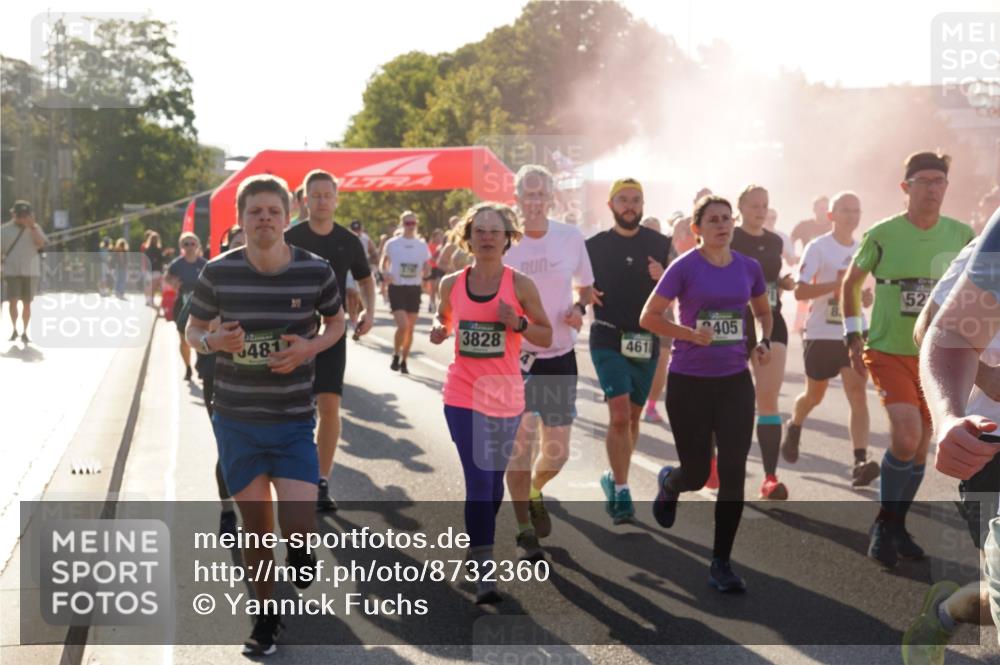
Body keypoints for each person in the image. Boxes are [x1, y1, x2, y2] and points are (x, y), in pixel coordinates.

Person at [186, 174, 345, 655]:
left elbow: (337, 322)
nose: (265, 220)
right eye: (255, 212)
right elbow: (194, 329)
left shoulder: (315, 271)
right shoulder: (218, 272)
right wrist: (213, 343)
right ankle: (265, 619)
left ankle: (299, 548)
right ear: (241, 219)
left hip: (294, 419)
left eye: (273, 211)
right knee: (256, 532)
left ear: (286, 216)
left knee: (297, 523)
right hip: (237, 420)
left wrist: (309, 348)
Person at [841, 150, 976, 568]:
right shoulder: (883, 233)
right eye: (925, 181)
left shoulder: (961, 233)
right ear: (906, 188)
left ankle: (895, 522)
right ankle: (884, 522)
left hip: (935, 356)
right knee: (905, 433)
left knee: (919, 449)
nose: (933, 189)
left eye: (940, 181)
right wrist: (852, 333)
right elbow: (851, 283)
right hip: (886, 350)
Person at [643, 194, 772, 592]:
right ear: (696, 230)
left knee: (732, 473)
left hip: (734, 382)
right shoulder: (685, 267)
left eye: (726, 219)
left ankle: (721, 563)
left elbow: (763, 311)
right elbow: (648, 316)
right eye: (713, 220)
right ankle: (671, 482)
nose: (722, 225)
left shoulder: (748, 267)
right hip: (689, 382)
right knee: (698, 473)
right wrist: (689, 334)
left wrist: (763, 340)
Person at [429, 201, 551, 604]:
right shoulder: (451, 283)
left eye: (493, 231)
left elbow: (546, 336)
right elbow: (445, 318)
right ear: (467, 237)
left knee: (494, 482)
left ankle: (475, 545)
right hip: (462, 394)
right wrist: (437, 328)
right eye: (478, 230)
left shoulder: (519, 286)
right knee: (479, 478)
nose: (485, 237)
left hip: (506, 397)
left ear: (507, 238)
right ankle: (484, 568)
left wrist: (515, 322)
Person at [911, 206, 1000, 664]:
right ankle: (945, 610)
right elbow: (928, 328)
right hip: (990, 447)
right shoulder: (983, 251)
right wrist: (986, 377)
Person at [502, 165, 593, 562]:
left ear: (550, 198)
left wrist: (578, 308)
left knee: (557, 452)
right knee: (520, 445)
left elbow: (585, 287)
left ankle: (536, 490)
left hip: (558, 356)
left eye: (541, 194)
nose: (535, 202)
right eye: (528, 194)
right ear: (517, 199)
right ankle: (524, 527)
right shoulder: (506, 242)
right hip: (516, 358)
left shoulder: (570, 237)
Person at [285, 169, 375, 512]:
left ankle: (321, 480)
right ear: (305, 199)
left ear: (336, 200)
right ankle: (296, 475)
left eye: (328, 195)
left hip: (331, 331)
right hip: (292, 332)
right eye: (315, 195)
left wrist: (369, 312)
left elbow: (366, 281)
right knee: (294, 410)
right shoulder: (290, 237)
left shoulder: (348, 241)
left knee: (329, 406)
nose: (322, 200)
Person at [586, 178, 672, 524]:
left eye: (636, 200)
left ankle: (613, 477)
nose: (630, 206)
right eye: (623, 200)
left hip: (645, 339)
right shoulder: (593, 246)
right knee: (619, 415)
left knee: (633, 419)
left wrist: (662, 275)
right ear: (611, 206)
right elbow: (571, 279)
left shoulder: (659, 243)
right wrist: (583, 289)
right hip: (607, 337)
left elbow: (679, 285)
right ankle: (622, 491)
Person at [784, 192, 879, 486]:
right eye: (846, 211)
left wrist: (863, 296)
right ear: (832, 216)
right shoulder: (818, 247)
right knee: (815, 395)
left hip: (853, 330)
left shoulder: (866, 248)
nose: (852, 216)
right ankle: (795, 424)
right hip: (821, 332)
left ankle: (859, 461)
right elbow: (799, 292)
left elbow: (865, 296)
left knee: (858, 393)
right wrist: (837, 285)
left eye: (856, 210)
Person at [730, 184, 794, 500]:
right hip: (733, 322)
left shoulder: (775, 241)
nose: (760, 210)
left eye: (765, 205)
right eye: (754, 205)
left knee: (767, 397)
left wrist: (782, 282)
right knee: (727, 399)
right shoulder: (730, 237)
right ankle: (716, 463)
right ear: (740, 207)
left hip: (770, 320)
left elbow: (769, 277)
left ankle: (769, 477)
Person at [195, 224, 245, 539]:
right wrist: (213, 334)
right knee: (227, 449)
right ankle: (228, 513)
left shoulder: (273, 276)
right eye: (236, 245)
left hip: (264, 381)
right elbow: (191, 326)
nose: (244, 250)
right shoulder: (213, 276)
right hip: (219, 376)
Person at [381, 210, 432, 374]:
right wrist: (385, 272)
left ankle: (404, 360)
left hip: (414, 288)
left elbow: (427, 264)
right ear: (402, 224)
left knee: (410, 328)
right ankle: (396, 353)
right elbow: (384, 261)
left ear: (416, 225)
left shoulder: (421, 245)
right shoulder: (393, 243)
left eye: (413, 223)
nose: (410, 226)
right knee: (403, 325)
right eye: (407, 223)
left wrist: (426, 271)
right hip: (397, 287)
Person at [639, 216, 673, 425]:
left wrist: (663, 274)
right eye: (647, 230)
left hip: (663, 314)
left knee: (662, 360)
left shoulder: (670, 253)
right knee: (637, 360)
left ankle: (651, 406)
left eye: (656, 231)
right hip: (633, 314)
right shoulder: (628, 250)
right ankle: (633, 400)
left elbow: (680, 283)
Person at [1, 201, 47, 343]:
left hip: (30, 271)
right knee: (12, 301)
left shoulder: (35, 228)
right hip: (12, 270)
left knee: (27, 303)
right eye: (20, 215)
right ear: (13, 214)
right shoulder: (4, 230)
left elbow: (41, 244)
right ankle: (15, 329)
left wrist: (32, 227)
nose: (23, 218)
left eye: (25, 215)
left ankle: (25, 331)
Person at [165, 232, 207, 381]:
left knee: (201, 337)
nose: (189, 247)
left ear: (197, 245)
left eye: (192, 243)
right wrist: (173, 283)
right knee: (184, 340)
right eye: (186, 244)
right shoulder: (177, 264)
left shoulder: (204, 264)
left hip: (201, 305)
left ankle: (201, 365)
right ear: (181, 246)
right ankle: (188, 367)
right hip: (182, 305)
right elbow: (167, 277)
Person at [791, 196, 831, 333]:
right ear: (814, 210)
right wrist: (793, 257)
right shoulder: (805, 226)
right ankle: (801, 325)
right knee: (804, 294)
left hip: (827, 269)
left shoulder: (833, 226)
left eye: (827, 208)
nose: (824, 211)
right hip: (808, 269)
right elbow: (791, 239)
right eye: (821, 208)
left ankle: (824, 323)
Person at [425, 227, 446, 313]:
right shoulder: (430, 246)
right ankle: (432, 303)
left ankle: (438, 304)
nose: (439, 238)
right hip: (432, 267)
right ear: (434, 237)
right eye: (437, 236)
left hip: (440, 268)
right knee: (432, 288)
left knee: (439, 287)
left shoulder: (444, 246)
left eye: (440, 236)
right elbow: (429, 257)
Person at [143, 231, 164, 308]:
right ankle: (149, 299)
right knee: (150, 286)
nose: (154, 240)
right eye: (153, 238)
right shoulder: (148, 249)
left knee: (153, 286)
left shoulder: (158, 249)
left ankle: (150, 299)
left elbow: (161, 259)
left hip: (156, 270)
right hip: (150, 269)